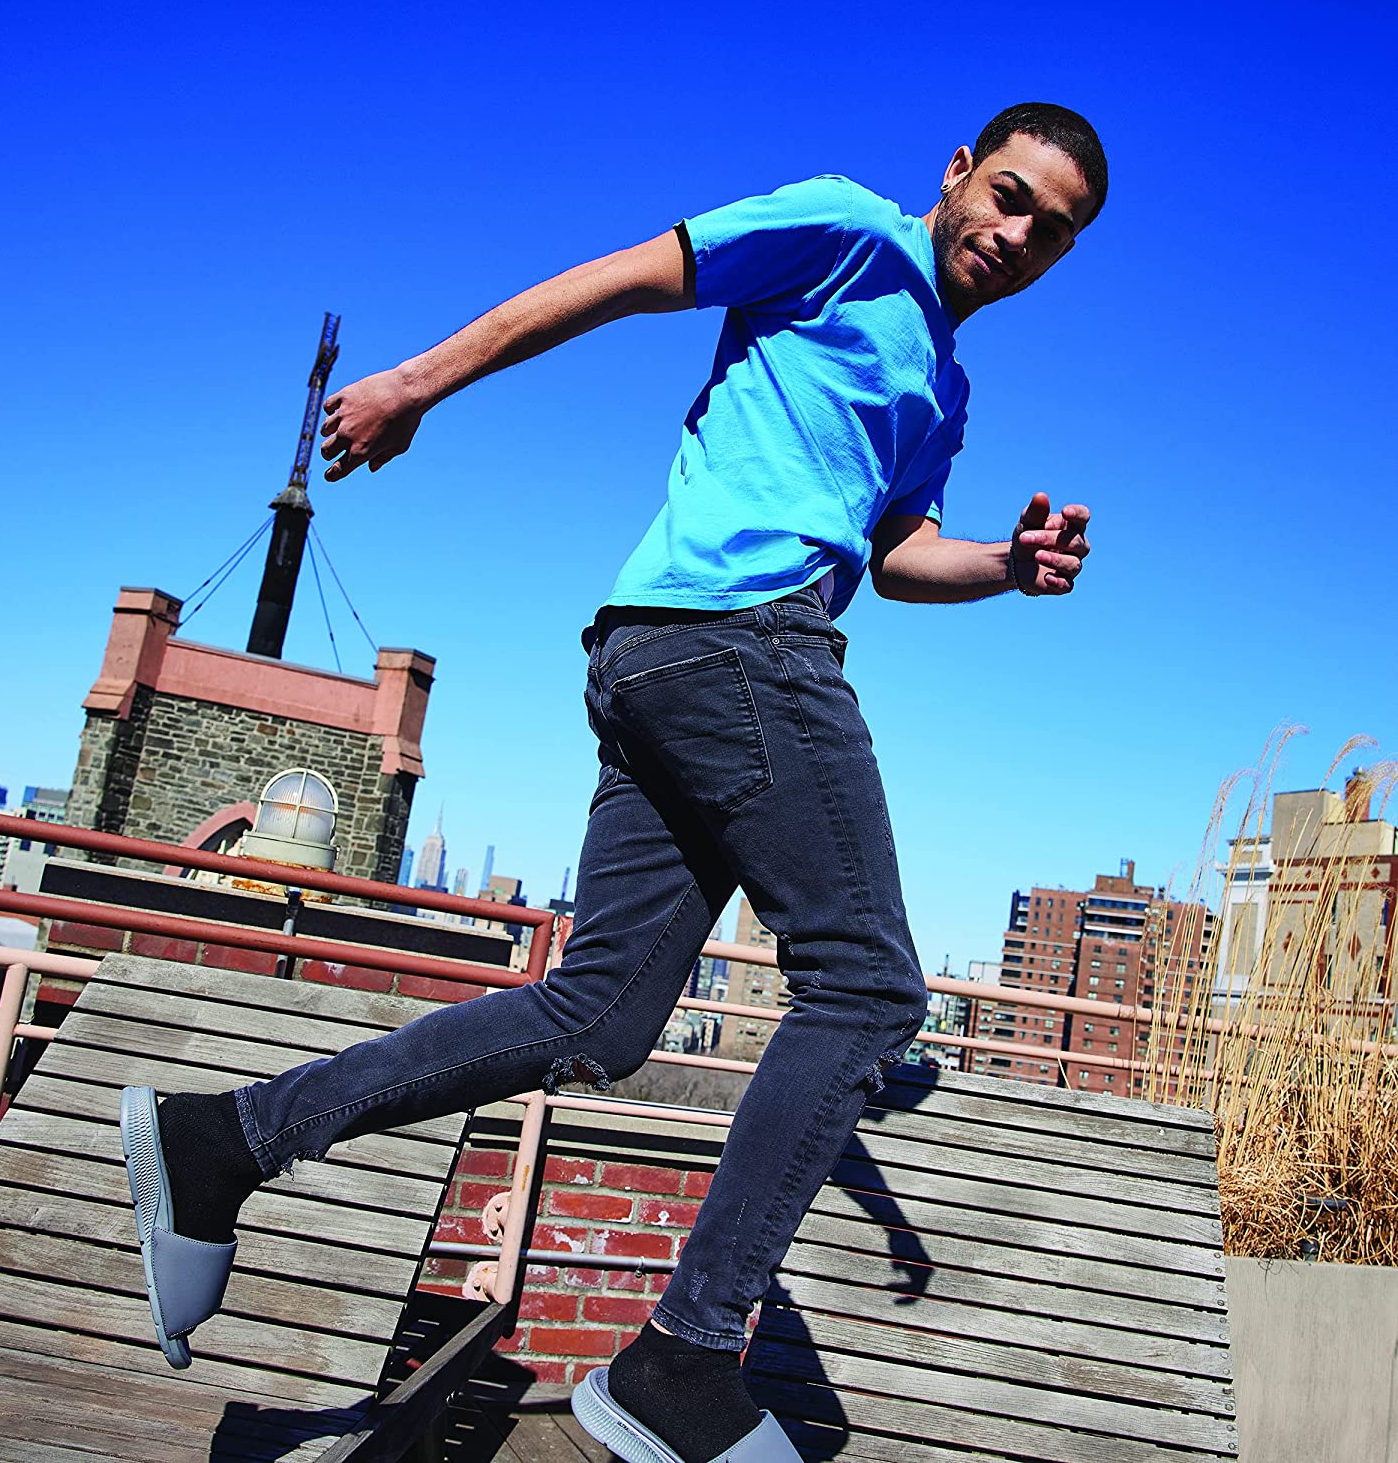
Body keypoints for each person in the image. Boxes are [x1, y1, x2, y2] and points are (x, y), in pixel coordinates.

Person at [120, 101, 1103, 1463]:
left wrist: (1005, 564)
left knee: (599, 1012)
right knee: (870, 990)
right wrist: (417, 382)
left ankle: (223, 1141)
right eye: (1007, 196)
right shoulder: (846, 232)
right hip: (738, 642)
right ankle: (682, 1360)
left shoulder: (945, 383)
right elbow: (624, 279)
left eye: (1051, 233)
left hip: (664, 664)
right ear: (956, 173)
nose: (1015, 235)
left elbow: (895, 554)